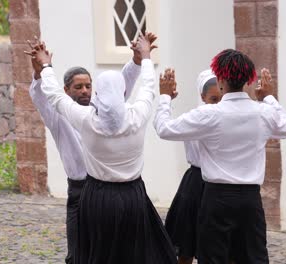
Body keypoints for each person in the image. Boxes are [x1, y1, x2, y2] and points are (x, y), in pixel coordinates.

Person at [25, 34, 177, 264]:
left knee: (107, 254)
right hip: (98, 192)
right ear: (68, 90)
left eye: (89, 86)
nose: (86, 91)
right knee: (81, 255)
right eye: (79, 87)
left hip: (97, 195)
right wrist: (145, 58)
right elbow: (147, 87)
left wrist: (46, 67)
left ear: (98, 94)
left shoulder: (86, 118)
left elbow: (55, 95)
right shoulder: (136, 115)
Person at [154, 49, 286, 264]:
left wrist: (165, 97)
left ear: (220, 80)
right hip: (250, 198)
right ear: (249, 80)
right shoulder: (263, 112)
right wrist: (269, 98)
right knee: (253, 256)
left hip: (217, 198)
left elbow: (164, 129)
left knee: (213, 257)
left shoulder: (209, 114)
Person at [163, 69, 221, 264]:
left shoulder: (228, 117)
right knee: (187, 243)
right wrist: (166, 100)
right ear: (202, 96)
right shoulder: (193, 118)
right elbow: (166, 128)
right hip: (196, 184)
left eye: (221, 98)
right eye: (213, 99)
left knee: (217, 245)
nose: (217, 104)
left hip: (220, 184)